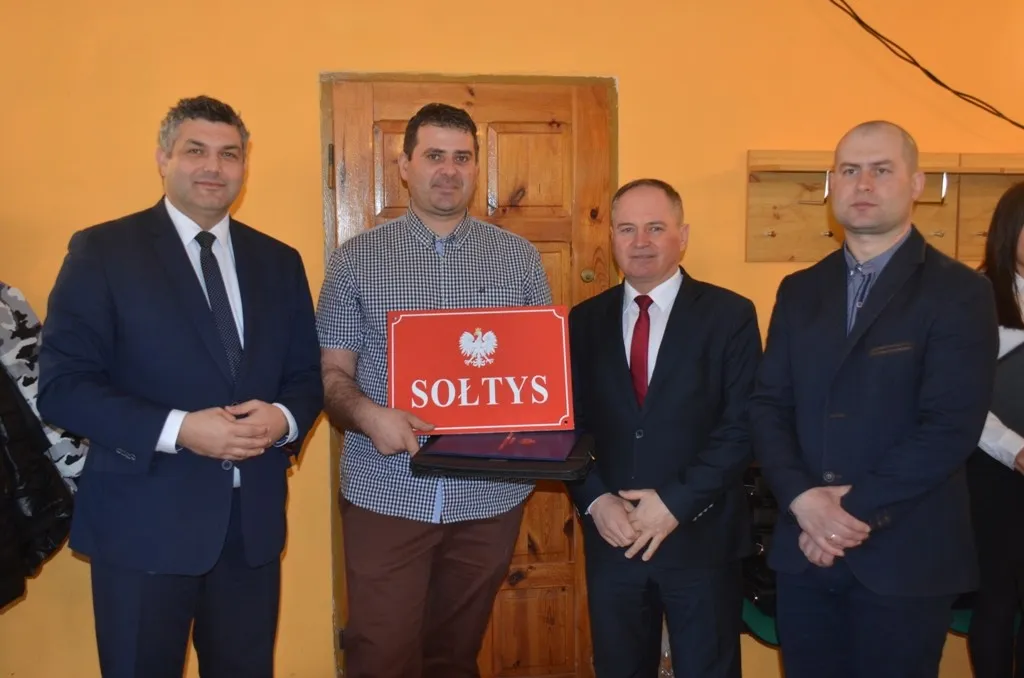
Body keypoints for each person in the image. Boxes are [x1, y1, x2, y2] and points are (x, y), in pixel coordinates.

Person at [37, 95, 324, 678]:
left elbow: (304, 377)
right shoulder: (102, 251)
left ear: (244, 165)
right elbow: (64, 387)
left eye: (229, 154)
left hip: (251, 529)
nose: (214, 167)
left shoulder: (279, 261)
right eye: (196, 151)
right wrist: (181, 430)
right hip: (142, 526)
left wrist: (284, 420)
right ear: (163, 158)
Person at [750, 119, 999, 678]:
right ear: (831, 184)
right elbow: (768, 407)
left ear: (917, 184)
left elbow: (951, 426)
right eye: (849, 170)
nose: (862, 184)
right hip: (804, 555)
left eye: (881, 170)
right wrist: (803, 502)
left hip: (906, 557)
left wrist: (844, 515)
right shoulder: (799, 291)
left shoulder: (961, 293)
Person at [316, 102, 552, 678]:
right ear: (405, 166)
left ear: (476, 167)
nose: (449, 170)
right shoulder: (355, 261)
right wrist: (370, 416)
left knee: (455, 655)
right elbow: (331, 375)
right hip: (387, 492)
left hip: (488, 499)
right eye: (434, 156)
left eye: (462, 158)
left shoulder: (519, 260)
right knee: (380, 654)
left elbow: (540, 378)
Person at [567, 178, 761, 678]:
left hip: (702, 538)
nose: (640, 242)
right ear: (611, 237)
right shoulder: (582, 322)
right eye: (627, 229)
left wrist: (674, 503)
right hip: (614, 539)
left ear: (683, 235)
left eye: (655, 227)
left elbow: (742, 427)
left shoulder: (730, 315)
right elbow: (568, 426)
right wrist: (595, 499)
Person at [967, 181, 1024, 678]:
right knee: (997, 600)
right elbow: (962, 397)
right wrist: (1015, 450)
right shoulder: (975, 295)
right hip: (993, 472)